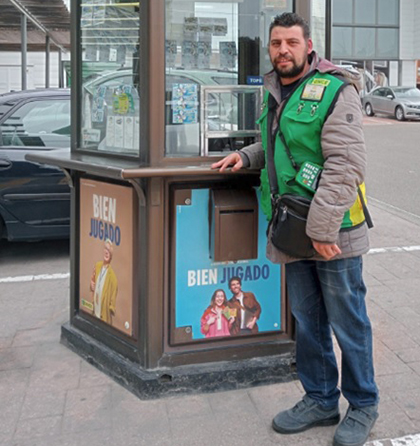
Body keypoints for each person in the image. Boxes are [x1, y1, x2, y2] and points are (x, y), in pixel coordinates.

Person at [212, 12, 378, 446]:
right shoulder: (276, 89)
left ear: (309, 46)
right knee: (308, 320)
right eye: (275, 44)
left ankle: (362, 405)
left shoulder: (337, 90)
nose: (282, 50)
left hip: (334, 232)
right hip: (292, 228)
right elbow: (279, 143)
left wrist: (323, 232)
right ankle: (321, 398)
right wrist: (247, 157)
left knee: (349, 322)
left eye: (291, 42)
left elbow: (345, 167)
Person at [90, 238, 118, 325]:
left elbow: (114, 292)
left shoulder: (112, 276)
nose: (106, 252)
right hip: (95, 307)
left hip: (104, 312)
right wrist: (91, 284)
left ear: (111, 255)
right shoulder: (97, 266)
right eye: (105, 249)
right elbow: (92, 279)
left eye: (109, 251)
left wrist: (111, 307)